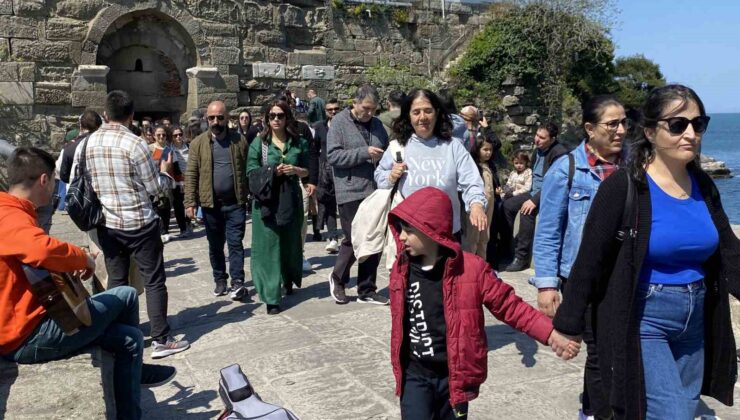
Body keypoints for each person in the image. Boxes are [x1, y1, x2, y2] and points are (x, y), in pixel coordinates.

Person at [553, 85, 740, 419]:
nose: (691, 134)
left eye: (698, 124)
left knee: (684, 406)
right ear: (651, 132)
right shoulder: (623, 187)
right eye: (678, 125)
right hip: (645, 316)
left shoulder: (704, 186)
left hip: (695, 315)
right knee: (671, 413)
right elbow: (590, 260)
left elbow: (729, 252)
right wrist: (567, 324)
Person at [0, 147, 177, 420]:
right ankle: (137, 376)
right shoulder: (11, 218)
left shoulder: (7, 209)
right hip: (26, 337)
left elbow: (32, 252)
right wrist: (83, 259)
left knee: (129, 339)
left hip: (28, 325)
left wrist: (70, 263)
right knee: (128, 294)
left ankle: (131, 395)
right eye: (55, 182)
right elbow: (41, 250)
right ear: (44, 180)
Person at [387, 187, 580, 420]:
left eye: (409, 229)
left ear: (432, 230)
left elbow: (510, 306)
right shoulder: (401, 268)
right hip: (415, 374)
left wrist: (550, 334)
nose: (402, 236)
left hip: (454, 377)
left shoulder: (472, 269)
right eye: (400, 229)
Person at [532, 95, 627, 420]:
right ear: (589, 128)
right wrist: (546, 285)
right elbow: (548, 232)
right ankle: (595, 412)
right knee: (599, 351)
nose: (621, 130)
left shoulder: (633, 167)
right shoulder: (567, 170)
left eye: (624, 122)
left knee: (611, 349)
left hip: (623, 276)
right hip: (579, 275)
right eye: (612, 123)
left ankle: (596, 408)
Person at [85, 90, 189, 359]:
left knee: (118, 282)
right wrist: (166, 174)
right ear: (131, 116)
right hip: (140, 223)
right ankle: (161, 338)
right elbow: (155, 188)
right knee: (154, 280)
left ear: (106, 114)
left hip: (108, 223)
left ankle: (121, 336)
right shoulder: (136, 144)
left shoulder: (90, 142)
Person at [375, 89, 488, 241]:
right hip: (410, 235)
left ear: (437, 113)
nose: (423, 117)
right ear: (408, 116)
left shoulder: (453, 146)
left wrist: (476, 205)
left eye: (428, 111)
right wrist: (390, 176)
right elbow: (379, 176)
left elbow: (471, 180)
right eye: (416, 112)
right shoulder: (397, 147)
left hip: (447, 232)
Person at [327, 84, 390, 305]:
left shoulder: (378, 125)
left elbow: (388, 149)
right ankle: (338, 279)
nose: (369, 113)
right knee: (354, 239)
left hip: (375, 190)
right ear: (355, 103)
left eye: (373, 109)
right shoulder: (339, 123)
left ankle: (367, 289)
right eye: (366, 108)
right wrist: (363, 153)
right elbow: (333, 156)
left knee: (373, 239)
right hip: (350, 190)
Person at [247, 100, 310, 315]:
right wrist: (274, 171)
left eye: (280, 115)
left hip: (291, 198)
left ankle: (288, 277)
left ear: (287, 118)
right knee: (268, 247)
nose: (276, 119)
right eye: (272, 115)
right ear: (266, 118)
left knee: (290, 241)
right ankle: (271, 297)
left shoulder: (298, 142)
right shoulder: (259, 144)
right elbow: (251, 172)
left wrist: (296, 170)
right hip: (267, 202)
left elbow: (309, 170)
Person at [185, 101, 250, 301]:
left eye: (220, 117)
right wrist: (190, 202)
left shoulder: (239, 141)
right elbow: (192, 174)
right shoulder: (198, 144)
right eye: (212, 118)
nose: (216, 121)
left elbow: (249, 168)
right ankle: (220, 279)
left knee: (235, 243)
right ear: (207, 119)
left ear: (227, 118)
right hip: (210, 204)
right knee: (215, 245)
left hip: (235, 203)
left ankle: (237, 281)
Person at [504, 122, 569, 272]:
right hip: (532, 190)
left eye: (542, 137)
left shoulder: (559, 154)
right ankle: (507, 247)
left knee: (527, 211)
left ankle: (522, 257)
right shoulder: (538, 149)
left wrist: (534, 200)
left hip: (548, 194)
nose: (537, 139)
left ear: (552, 139)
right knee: (506, 205)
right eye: (537, 135)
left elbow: (554, 183)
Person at [312, 98, 342, 254]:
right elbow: (315, 148)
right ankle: (333, 237)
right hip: (325, 171)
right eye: (330, 109)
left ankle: (349, 236)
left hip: (342, 170)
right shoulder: (321, 128)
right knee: (329, 205)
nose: (333, 111)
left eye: (336, 109)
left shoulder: (345, 126)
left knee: (343, 205)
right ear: (325, 111)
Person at [462, 135, 498, 257]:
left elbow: (497, 143)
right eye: (485, 150)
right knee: (473, 237)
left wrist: (488, 130)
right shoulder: (472, 166)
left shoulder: (490, 165)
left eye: (490, 150)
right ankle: (469, 265)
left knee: (484, 236)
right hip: (476, 205)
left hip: (489, 204)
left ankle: (482, 264)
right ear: (477, 149)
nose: (488, 153)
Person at [58, 110, 103, 185]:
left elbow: (64, 177)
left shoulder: (69, 148)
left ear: (81, 127)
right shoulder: (107, 143)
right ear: (99, 125)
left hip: (79, 191)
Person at [162, 126, 191, 238]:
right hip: (176, 183)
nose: (178, 137)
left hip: (189, 180)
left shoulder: (189, 147)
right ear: (172, 137)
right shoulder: (169, 149)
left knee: (190, 203)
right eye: (175, 135)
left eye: (180, 134)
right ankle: (182, 228)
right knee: (178, 205)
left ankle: (188, 222)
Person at [149, 125, 175, 244]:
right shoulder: (149, 149)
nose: (161, 137)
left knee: (166, 206)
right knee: (155, 207)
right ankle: (158, 231)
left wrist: (168, 166)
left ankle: (165, 231)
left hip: (165, 182)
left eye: (163, 135)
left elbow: (171, 167)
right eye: (158, 135)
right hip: (152, 182)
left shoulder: (169, 149)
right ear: (154, 136)